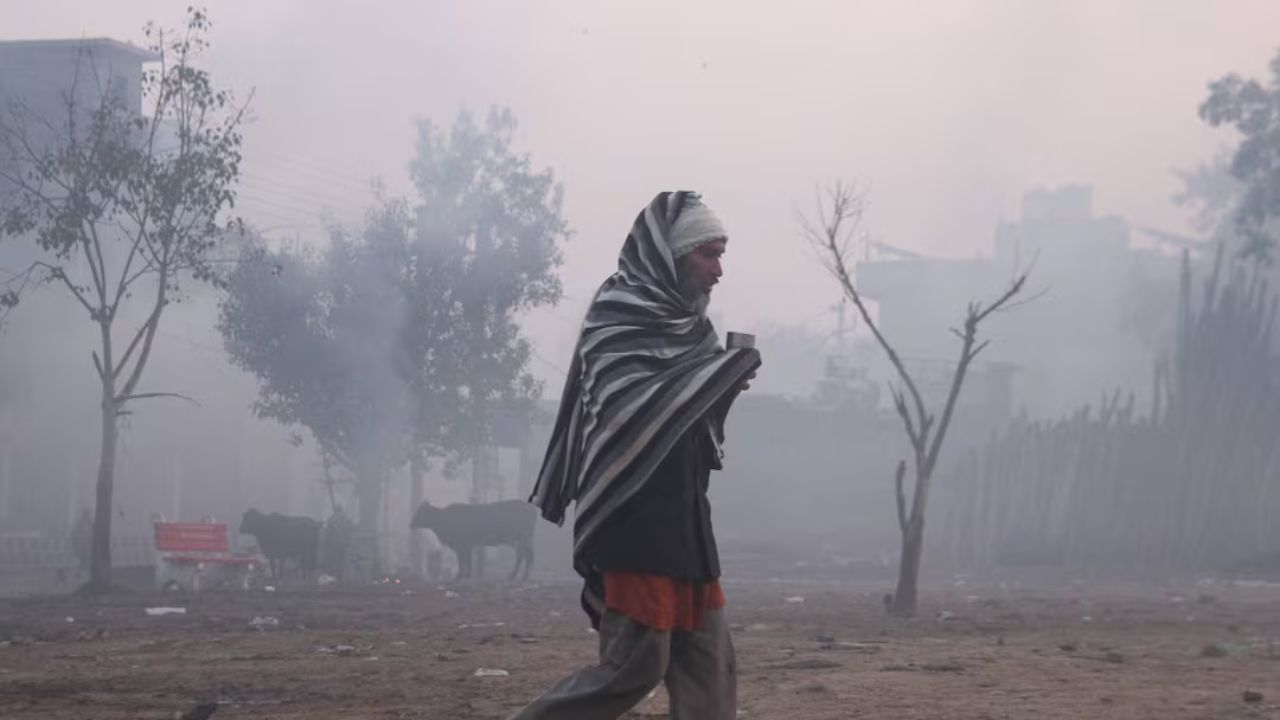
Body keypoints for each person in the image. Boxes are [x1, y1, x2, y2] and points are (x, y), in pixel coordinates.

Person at [516, 191, 761, 719]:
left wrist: (718, 388)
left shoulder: (695, 330)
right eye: (708, 255)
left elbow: (683, 415)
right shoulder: (617, 313)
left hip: (686, 520)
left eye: (721, 256)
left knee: (711, 672)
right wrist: (709, 377)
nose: (718, 270)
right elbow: (626, 410)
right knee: (634, 667)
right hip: (634, 517)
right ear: (669, 255)